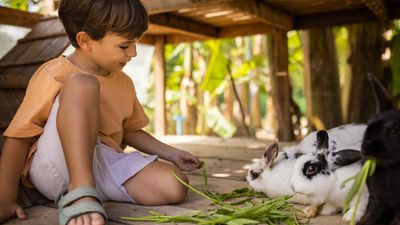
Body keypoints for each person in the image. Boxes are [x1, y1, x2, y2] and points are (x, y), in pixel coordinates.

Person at [0, 0, 200, 224]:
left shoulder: (123, 82)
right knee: (82, 85)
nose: (133, 52)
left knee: (174, 183)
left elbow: (129, 131)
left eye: (136, 43)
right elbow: (18, 136)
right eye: (125, 46)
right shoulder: (56, 72)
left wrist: (171, 153)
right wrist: (5, 198)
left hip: (102, 162)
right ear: (85, 40)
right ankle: (81, 189)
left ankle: (89, 192)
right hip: (57, 165)